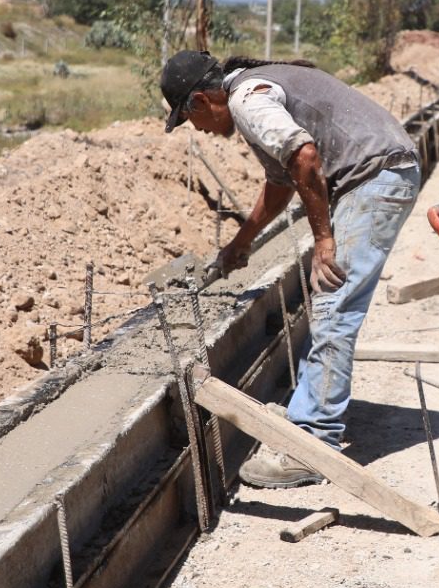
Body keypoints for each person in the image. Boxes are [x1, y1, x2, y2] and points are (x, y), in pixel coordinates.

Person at [161, 50, 421, 488]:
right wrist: (238, 245)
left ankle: (313, 443)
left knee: (334, 304)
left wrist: (323, 240)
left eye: (192, 121)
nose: (201, 131)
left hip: (375, 179)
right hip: (382, 171)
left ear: (201, 102)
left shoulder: (247, 100)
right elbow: (281, 185)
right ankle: (309, 408)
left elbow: (304, 158)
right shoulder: (255, 86)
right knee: (331, 301)